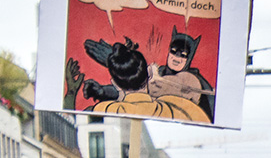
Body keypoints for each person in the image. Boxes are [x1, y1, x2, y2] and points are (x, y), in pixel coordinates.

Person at [63, 38, 209, 122]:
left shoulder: (105, 109)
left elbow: (71, 120)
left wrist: (71, 92)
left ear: (115, 84)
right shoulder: (178, 107)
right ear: (149, 74)